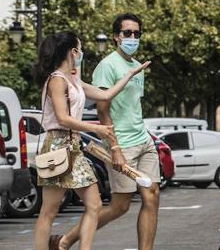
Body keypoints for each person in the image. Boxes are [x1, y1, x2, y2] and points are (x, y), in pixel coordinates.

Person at [33, 31, 148, 250]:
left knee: (94, 205)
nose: (82, 52)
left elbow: (105, 95)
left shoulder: (74, 80)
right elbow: (62, 118)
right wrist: (97, 128)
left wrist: (130, 73)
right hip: (57, 146)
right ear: (73, 52)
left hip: (73, 147)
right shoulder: (57, 79)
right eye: (80, 48)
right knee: (49, 210)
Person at [58, 14, 160, 250]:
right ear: (116, 37)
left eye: (136, 33)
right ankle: (65, 240)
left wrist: (145, 134)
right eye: (127, 33)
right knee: (120, 206)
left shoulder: (138, 67)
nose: (132, 37)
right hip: (121, 143)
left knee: (152, 195)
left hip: (143, 139)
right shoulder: (107, 65)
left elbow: (133, 106)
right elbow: (103, 109)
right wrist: (115, 148)